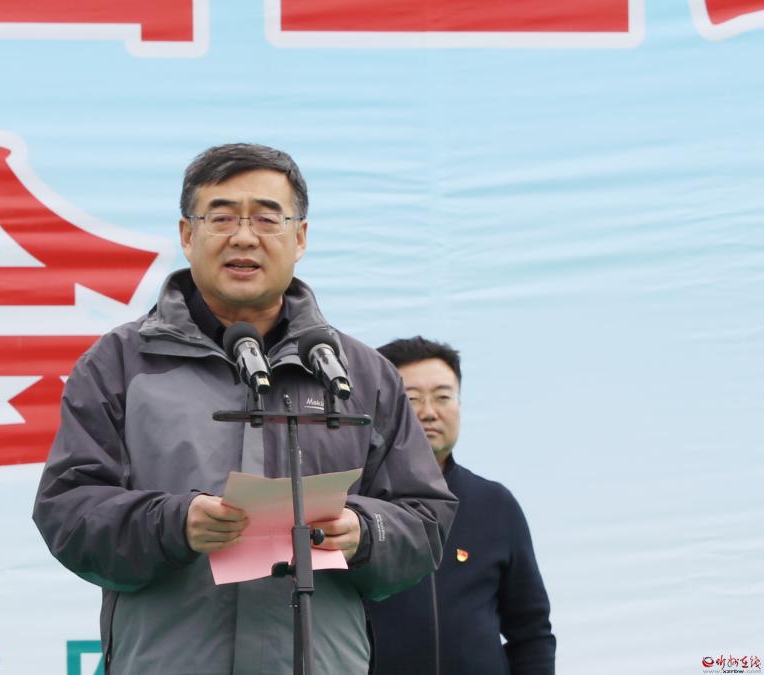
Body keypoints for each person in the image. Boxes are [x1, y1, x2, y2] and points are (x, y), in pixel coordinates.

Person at [32, 144, 457, 674]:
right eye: (222, 217)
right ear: (187, 235)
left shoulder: (360, 374)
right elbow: (67, 510)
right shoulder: (120, 363)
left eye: (266, 218)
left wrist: (365, 532)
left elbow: (425, 520)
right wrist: (173, 524)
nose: (244, 237)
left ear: (300, 237)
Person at [366, 337, 556, 675]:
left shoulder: (495, 504)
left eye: (443, 397)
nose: (429, 412)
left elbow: (531, 630)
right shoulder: (356, 507)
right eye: (412, 399)